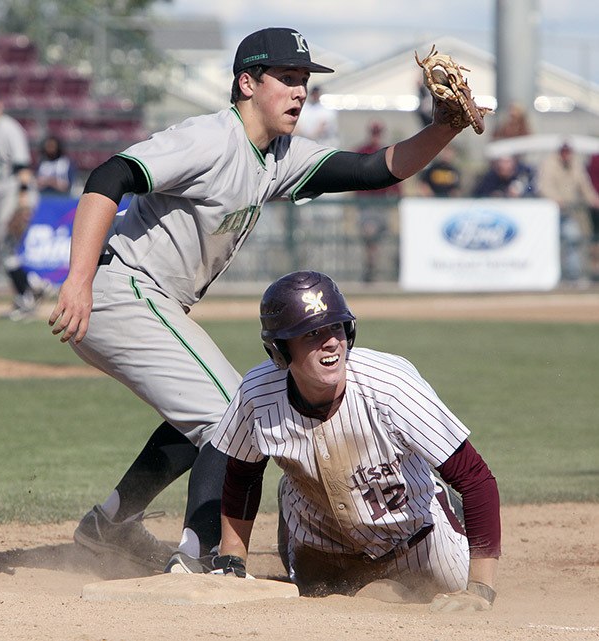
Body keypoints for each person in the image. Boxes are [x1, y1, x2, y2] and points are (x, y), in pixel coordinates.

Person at [48, 27, 476, 576]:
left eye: (305, 81)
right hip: (121, 290)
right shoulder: (211, 139)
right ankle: (198, 559)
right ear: (247, 83)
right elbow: (111, 173)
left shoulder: (276, 155)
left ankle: (108, 527)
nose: (300, 92)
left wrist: (444, 128)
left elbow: (374, 169)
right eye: (288, 79)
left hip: (148, 299)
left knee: (202, 411)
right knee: (232, 412)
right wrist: (78, 279)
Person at [211, 271, 501, 612]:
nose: (331, 342)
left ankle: (439, 500)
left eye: (336, 327)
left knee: (445, 594)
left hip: (416, 542)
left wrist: (480, 589)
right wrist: (231, 559)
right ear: (280, 350)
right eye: (312, 333)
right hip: (321, 543)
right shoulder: (258, 392)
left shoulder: (389, 385)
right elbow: (242, 474)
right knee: (316, 594)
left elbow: (475, 477)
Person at [0, 86, 44, 321]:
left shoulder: (9, 129)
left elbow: (23, 166)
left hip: (15, 193)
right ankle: (33, 287)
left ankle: (27, 298)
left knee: (3, 249)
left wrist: (22, 201)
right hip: (0, 196)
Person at [537, 142, 599, 285]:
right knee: (546, 243)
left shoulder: (575, 165)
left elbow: (584, 185)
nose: (567, 155)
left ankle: (573, 276)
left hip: (567, 212)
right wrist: (556, 199)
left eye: (569, 152)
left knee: (573, 237)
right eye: (564, 152)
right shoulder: (549, 164)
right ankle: (545, 275)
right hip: (549, 212)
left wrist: (593, 199)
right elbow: (544, 186)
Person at [353, 121, 401, 282]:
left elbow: (394, 177)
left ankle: (381, 270)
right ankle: (370, 270)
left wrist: (396, 194)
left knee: (381, 238)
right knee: (370, 236)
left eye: (378, 133)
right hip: (366, 203)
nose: (376, 136)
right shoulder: (362, 151)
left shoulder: (385, 152)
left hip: (382, 204)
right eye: (374, 133)